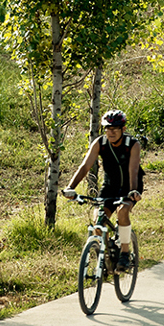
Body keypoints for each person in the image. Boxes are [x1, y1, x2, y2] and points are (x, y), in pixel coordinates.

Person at [61, 108, 143, 269]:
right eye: (107, 128)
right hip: (109, 186)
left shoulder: (132, 145)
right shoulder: (100, 143)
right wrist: (70, 187)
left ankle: (125, 253)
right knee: (97, 219)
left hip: (130, 186)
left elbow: (133, 170)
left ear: (123, 129)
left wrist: (133, 192)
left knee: (122, 211)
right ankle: (106, 254)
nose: (110, 132)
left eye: (114, 129)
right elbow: (85, 166)